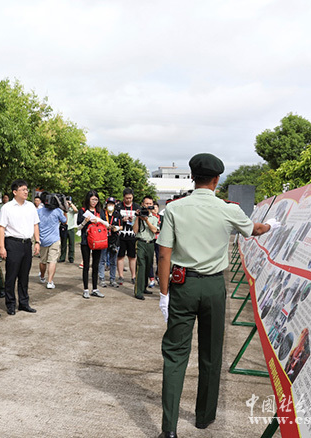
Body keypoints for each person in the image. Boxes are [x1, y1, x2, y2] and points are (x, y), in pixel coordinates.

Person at [156, 153, 278, 437]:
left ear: (192, 176)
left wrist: (164, 295)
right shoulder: (229, 209)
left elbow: (164, 253)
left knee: (175, 356)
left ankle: (169, 429)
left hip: (182, 285)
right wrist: (272, 225)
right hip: (213, 287)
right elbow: (255, 230)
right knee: (211, 354)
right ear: (217, 179)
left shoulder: (175, 209)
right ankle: (204, 417)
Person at [0, 179, 40, 315]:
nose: (26, 192)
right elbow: (1, 228)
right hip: (12, 243)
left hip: (27, 243)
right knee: (11, 275)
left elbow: (35, 224)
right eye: (23, 190)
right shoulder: (7, 208)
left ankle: (24, 303)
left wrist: (37, 241)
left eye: (27, 189)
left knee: (24, 276)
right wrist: (2, 247)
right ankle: (10, 303)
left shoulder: (31, 207)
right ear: (14, 192)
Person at [77, 190, 106, 299]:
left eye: (96, 200)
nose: (94, 202)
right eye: (92, 199)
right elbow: (78, 227)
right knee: (86, 265)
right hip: (86, 240)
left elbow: (105, 223)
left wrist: (99, 220)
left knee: (96, 265)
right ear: (88, 199)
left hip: (98, 240)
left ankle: (95, 288)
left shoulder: (100, 211)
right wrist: (85, 221)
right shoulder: (83, 211)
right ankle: (85, 289)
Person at [37, 192, 67, 289]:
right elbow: (64, 221)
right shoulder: (57, 211)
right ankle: (50, 282)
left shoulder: (39, 211)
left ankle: (42, 276)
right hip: (54, 239)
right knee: (52, 261)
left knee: (43, 261)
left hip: (42, 240)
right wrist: (65, 210)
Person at [133, 195, 159, 300]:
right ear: (142, 204)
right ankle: (138, 292)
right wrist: (138, 218)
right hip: (141, 243)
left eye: (150, 204)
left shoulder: (154, 217)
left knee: (148, 266)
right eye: (146, 203)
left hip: (151, 243)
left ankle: (144, 287)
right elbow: (135, 231)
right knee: (141, 266)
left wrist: (146, 220)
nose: (148, 206)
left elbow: (154, 230)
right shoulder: (138, 216)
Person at [117, 188, 140, 285]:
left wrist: (133, 219)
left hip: (132, 236)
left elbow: (139, 220)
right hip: (121, 235)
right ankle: (121, 276)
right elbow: (115, 219)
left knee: (132, 257)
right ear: (123, 198)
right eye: (127, 198)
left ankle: (133, 276)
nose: (129, 200)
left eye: (130, 198)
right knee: (120, 256)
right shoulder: (119, 206)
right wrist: (123, 219)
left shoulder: (136, 207)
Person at [98, 197, 121, 287]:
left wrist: (117, 228)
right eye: (109, 204)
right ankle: (101, 278)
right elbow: (99, 223)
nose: (110, 206)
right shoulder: (102, 214)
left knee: (113, 261)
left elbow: (121, 226)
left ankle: (112, 279)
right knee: (102, 260)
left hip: (114, 240)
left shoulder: (117, 214)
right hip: (104, 239)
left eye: (112, 204)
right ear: (106, 204)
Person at [59, 199, 78, 263]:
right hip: (63, 227)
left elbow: (76, 210)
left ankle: (71, 257)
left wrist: (71, 204)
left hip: (71, 228)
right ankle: (62, 257)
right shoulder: (62, 210)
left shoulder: (71, 210)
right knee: (63, 243)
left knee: (71, 243)